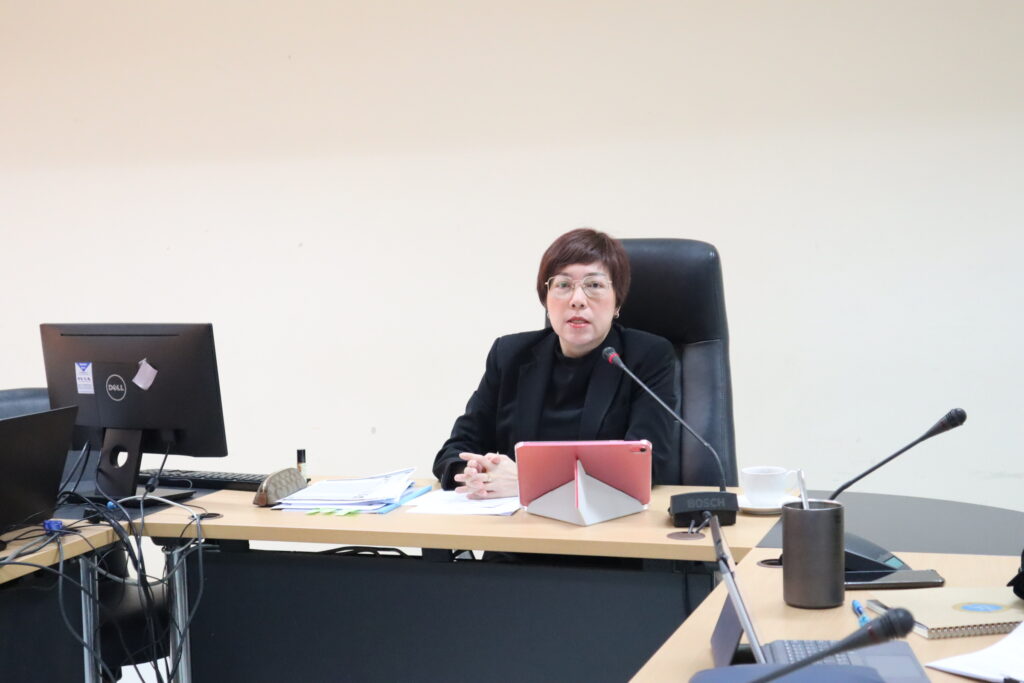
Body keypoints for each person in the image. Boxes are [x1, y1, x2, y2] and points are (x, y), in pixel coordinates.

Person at [433, 228, 680, 499]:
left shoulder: (646, 357)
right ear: (546, 299)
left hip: (607, 521)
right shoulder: (510, 355)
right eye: (563, 285)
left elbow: (643, 467)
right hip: (517, 522)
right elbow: (455, 450)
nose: (577, 300)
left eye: (594, 285)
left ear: (617, 302)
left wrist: (529, 481)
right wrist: (474, 471)